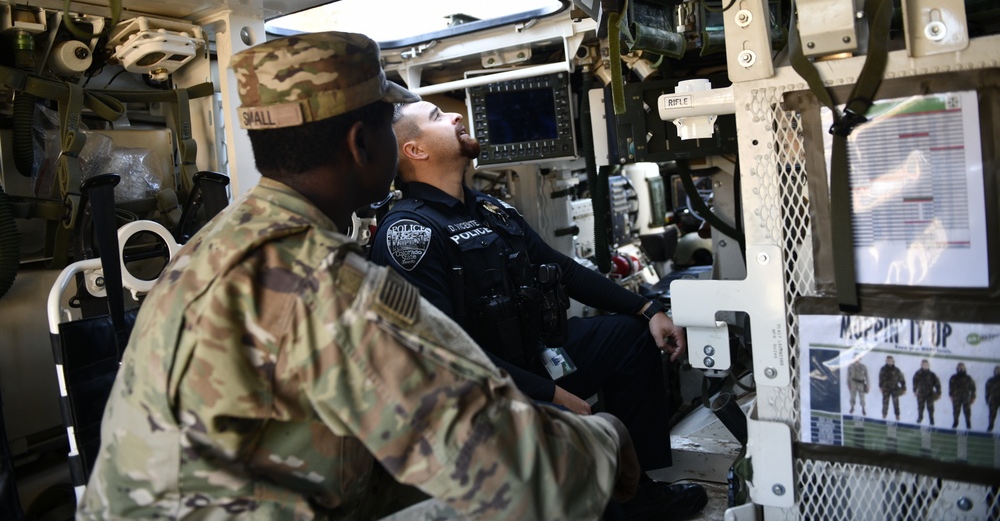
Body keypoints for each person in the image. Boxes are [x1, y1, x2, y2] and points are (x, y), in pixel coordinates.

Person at [77, 32, 643, 520]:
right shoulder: (326, 284)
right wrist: (607, 442)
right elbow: (515, 473)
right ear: (362, 143)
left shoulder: (213, 244)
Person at [370, 101, 709, 520]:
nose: (456, 117)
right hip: (485, 388)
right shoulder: (409, 233)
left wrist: (646, 307)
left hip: (538, 351)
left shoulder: (491, 209)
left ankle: (637, 492)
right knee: (573, 456)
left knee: (631, 336)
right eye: (438, 117)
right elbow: (443, 354)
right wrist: (551, 394)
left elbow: (562, 268)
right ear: (415, 151)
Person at [912, 359, 941, 426]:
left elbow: (937, 383)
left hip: (930, 393)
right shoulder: (918, 373)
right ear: (921, 365)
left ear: (928, 365)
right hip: (921, 393)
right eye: (923, 364)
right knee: (920, 406)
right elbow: (915, 382)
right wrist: (915, 390)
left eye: (926, 364)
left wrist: (938, 392)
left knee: (930, 407)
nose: (925, 366)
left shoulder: (932, 374)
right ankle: (920, 418)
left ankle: (931, 419)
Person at [949, 362, 977, 430]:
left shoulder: (968, 378)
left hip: (966, 398)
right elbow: (950, 387)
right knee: (956, 411)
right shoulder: (953, 378)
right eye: (959, 367)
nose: (961, 368)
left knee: (967, 412)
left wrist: (973, 397)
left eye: (962, 367)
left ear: (964, 368)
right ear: (957, 368)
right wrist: (951, 396)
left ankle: (968, 424)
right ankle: (955, 423)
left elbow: (973, 388)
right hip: (956, 397)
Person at [879, 356, 906, 421]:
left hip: (894, 388)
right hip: (886, 388)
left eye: (891, 360)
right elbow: (880, 379)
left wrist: (903, 388)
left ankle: (897, 415)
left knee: (896, 403)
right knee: (885, 402)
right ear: (886, 361)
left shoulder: (897, 370)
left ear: (893, 361)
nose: (889, 361)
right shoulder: (883, 369)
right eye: (888, 360)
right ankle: (884, 414)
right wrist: (880, 386)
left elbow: (902, 379)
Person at [986, 365, 1000, 432]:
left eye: (999, 371)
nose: (998, 372)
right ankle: (990, 426)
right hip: (993, 400)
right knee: (992, 414)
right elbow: (987, 390)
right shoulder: (990, 380)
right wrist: (987, 399)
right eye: (997, 370)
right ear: (994, 371)